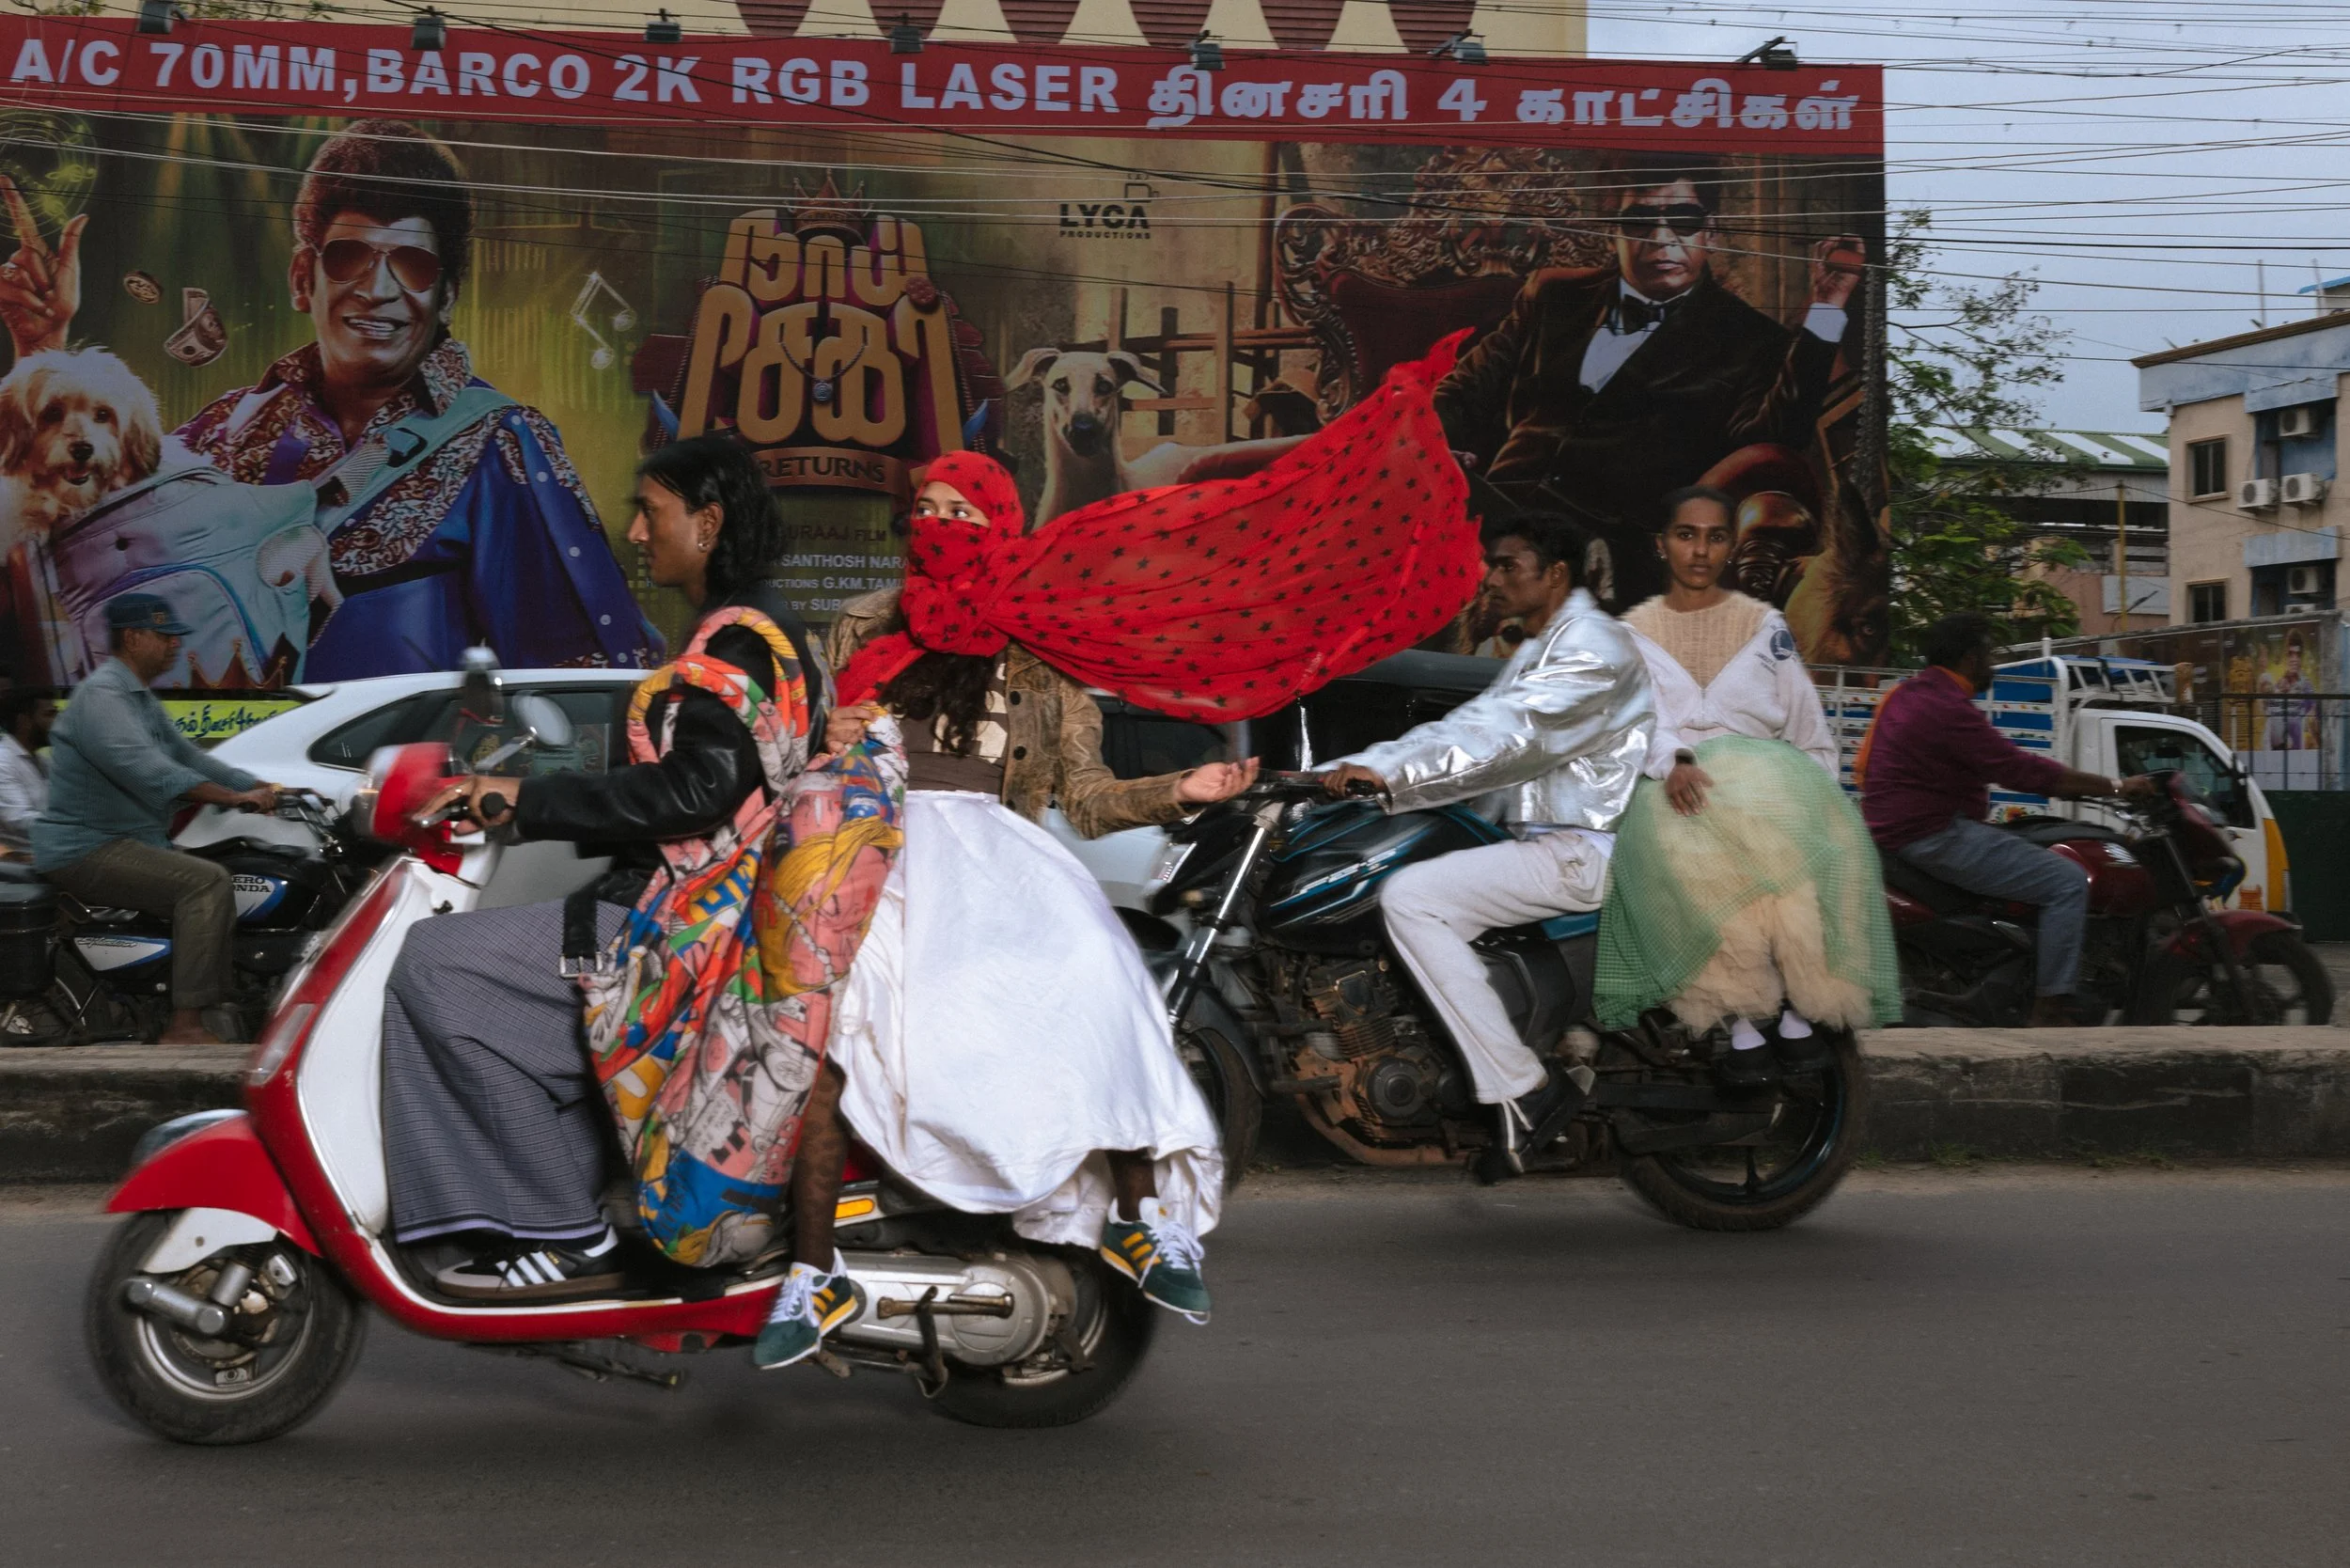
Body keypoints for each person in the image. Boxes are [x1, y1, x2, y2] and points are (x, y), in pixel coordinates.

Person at [790, 451, 1257, 1371]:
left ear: (1001, 524)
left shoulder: (1039, 652)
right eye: (925, 510)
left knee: (1096, 977)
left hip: (997, 866)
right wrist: (822, 736)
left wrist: (1182, 790)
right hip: (872, 854)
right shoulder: (859, 629)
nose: (940, 526)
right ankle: (809, 1273)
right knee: (838, 1031)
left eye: (961, 513)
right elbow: (796, 755)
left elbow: (1083, 798)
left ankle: (1136, 1220)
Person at [381, 434, 822, 1300]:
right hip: (693, 912)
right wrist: (523, 789)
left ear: (707, 522)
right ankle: (563, 1194)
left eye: (649, 511)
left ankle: (559, 1226)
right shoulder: (751, 630)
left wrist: (526, 799)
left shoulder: (739, 645)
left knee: (432, 967)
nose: (632, 530)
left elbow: (694, 791)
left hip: (683, 929)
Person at [0, 120, 655, 679]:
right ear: (300, 277)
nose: (378, 290)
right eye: (349, 258)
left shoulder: (502, 445)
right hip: (217, 792)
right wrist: (43, 358)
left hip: (397, 807)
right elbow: (84, 544)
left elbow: (572, 677)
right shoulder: (228, 430)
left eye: (414, 266)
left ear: (447, 296)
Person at [1320, 511, 1656, 1182]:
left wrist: (1390, 778)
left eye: (1508, 566)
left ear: (1555, 574)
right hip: (1546, 842)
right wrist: (1353, 768)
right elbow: (1471, 722)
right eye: (1491, 565)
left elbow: (1511, 736)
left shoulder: (1593, 644)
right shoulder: (1543, 644)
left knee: (1413, 898)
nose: (1492, 579)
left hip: (1582, 851)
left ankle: (1527, 1090)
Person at [1433, 160, 1863, 608]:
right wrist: (1443, 450)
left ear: (1710, 233)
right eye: (1639, 222)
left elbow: (1773, 444)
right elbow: (1462, 392)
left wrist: (1828, 307)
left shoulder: (1751, 340)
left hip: (1610, 555)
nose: (1660, 240)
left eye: (1683, 222)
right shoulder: (1553, 295)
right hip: (1493, 519)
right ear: (1612, 233)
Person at [1594, 487, 1899, 1081]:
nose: (1700, 550)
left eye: (1715, 536)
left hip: (1768, 786)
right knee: (1688, 838)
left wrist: (1816, 806)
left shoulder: (1767, 627)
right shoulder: (1631, 635)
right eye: (1686, 535)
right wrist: (1673, 761)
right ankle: (1738, 1017)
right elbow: (1626, 724)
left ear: (1731, 547)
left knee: (1789, 840)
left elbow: (1808, 732)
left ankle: (1798, 1004)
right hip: (1674, 789)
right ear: (1662, 546)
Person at [1857, 612, 2150, 1027]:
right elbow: (2018, 769)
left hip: (1900, 830)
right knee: (2066, 882)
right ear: (1971, 658)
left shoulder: (1906, 696)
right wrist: (2117, 787)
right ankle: (2050, 1005)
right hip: (1932, 834)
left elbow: (1869, 766)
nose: (1991, 664)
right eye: (1988, 654)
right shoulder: (1949, 708)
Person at [30, 595, 277, 1043]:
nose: (174, 646)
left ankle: (221, 1003)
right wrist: (235, 798)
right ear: (133, 637)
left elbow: (189, 757)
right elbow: (152, 771)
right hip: (88, 846)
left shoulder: (137, 697)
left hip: (130, 839)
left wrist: (266, 786)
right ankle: (185, 1024)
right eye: (165, 637)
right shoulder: (103, 697)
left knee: (239, 871)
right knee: (206, 883)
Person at [0, 685, 55, 855]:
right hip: (23, 862)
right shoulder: (3, 761)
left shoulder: (43, 761)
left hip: (53, 851)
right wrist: (72, 826)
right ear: (24, 722)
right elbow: (17, 819)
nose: (56, 722)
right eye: (49, 714)